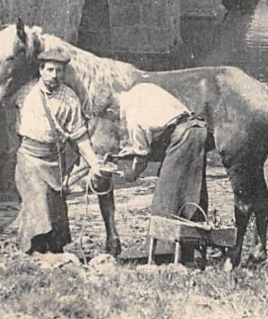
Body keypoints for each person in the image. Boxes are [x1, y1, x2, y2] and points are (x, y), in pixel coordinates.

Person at [13, 44, 107, 254]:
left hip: (53, 161)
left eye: (59, 71)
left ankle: (51, 253)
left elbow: (79, 136)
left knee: (54, 209)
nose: (55, 75)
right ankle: (31, 252)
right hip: (29, 157)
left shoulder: (70, 98)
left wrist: (94, 163)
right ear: (41, 70)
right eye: (50, 70)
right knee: (38, 200)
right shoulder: (24, 93)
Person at [108, 83, 208, 224]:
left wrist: (132, 174)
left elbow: (142, 158)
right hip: (195, 129)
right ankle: (195, 239)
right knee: (191, 192)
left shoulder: (132, 118)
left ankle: (171, 244)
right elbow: (160, 124)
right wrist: (131, 151)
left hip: (182, 138)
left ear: (110, 110)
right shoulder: (140, 88)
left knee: (165, 205)